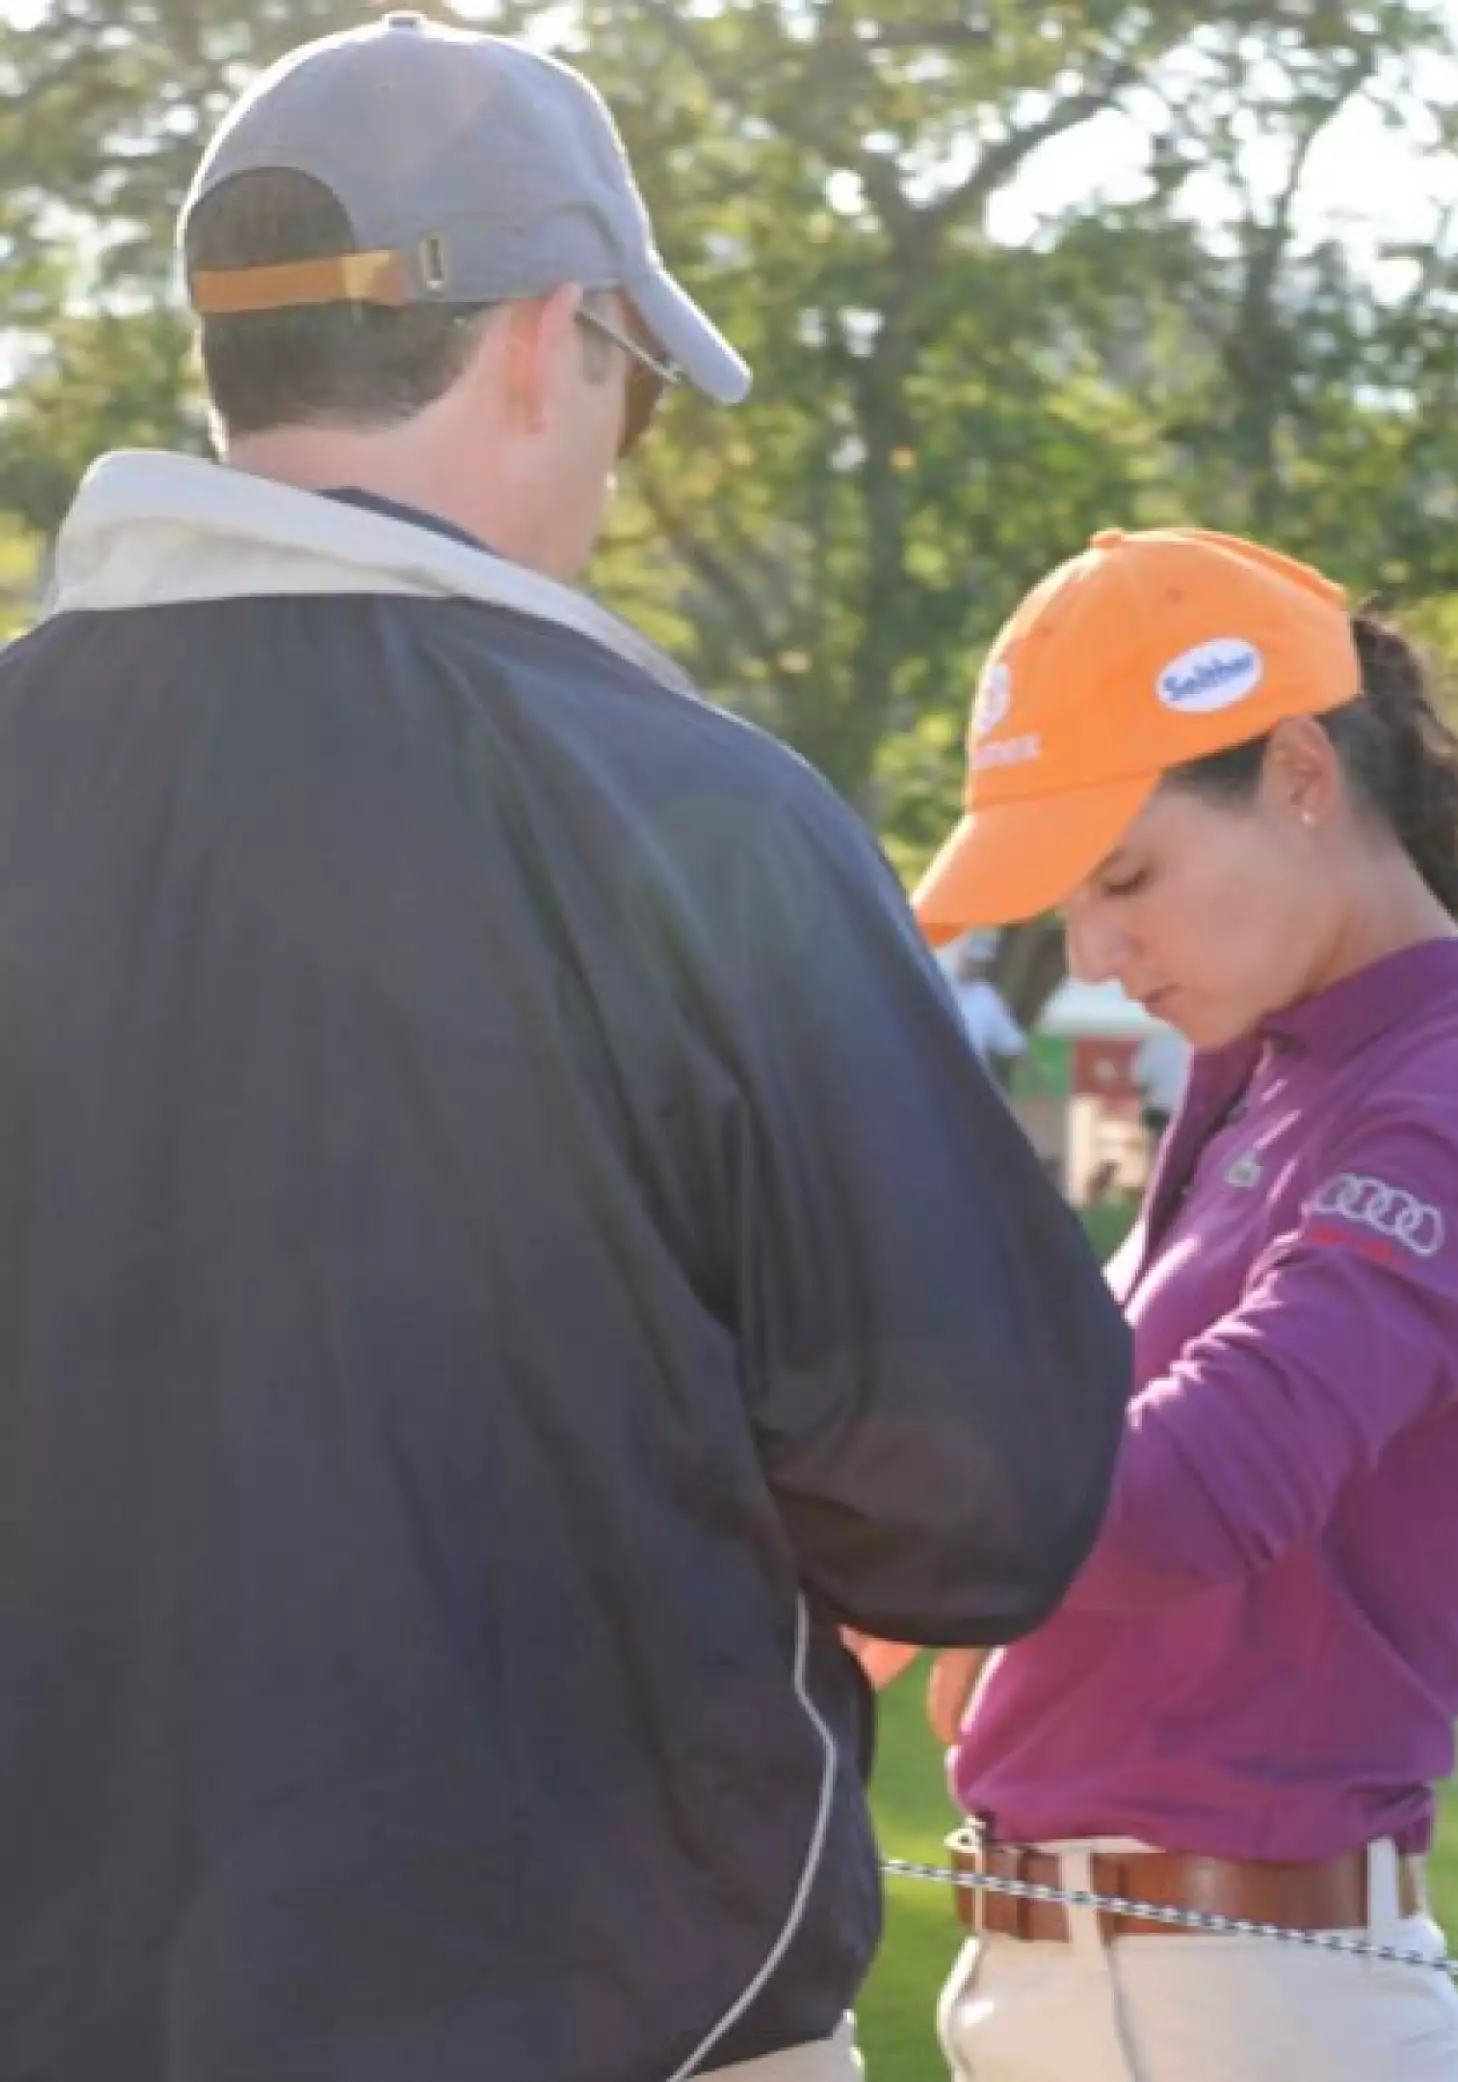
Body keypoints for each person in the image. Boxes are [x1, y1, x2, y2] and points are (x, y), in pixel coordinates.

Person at [0, 20, 1132, 2082]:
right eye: (624, 380)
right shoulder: (690, 815)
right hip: (605, 2010)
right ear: (547, 336)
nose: (614, 452)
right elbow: (984, 1497)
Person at [903, 525, 1458, 2082]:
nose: (1093, 949)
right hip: (1099, 1986)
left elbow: (1176, 1501)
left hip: (1239, 2009)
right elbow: (1071, 1445)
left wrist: (939, 1541)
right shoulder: (1263, 1067)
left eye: (1127, 874)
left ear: (1299, 771)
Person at [945, 930, 1029, 1079]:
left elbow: (1012, 1042)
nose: (975, 965)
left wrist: (1041, 1082)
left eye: (980, 962)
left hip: (969, 1076)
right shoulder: (936, 981)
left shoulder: (986, 997)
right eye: (971, 958)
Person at [1131, 1022, 1189, 1147]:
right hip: (1190, 1110)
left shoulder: (1156, 1038)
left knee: (1161, 1150)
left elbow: (1141, 1076)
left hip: (1161, 1111)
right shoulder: (1200, 1035)